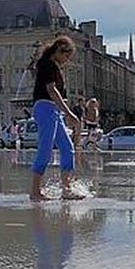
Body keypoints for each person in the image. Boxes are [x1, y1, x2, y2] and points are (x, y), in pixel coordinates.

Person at [28, 36, 83, 201]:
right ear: (59, 50)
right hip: (45, 107)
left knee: (67, 148)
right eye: (66, 56)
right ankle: (35, 191)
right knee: (45, 150)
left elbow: (60, 95)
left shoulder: (56, 67)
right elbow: (52, 91)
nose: (67, 60)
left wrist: (64, 112)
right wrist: (69, 113)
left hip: (54, 110)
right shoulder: (46, 64)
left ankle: (66, 189)